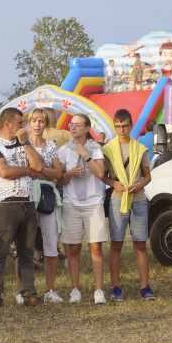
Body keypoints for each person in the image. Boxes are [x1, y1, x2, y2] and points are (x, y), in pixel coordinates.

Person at [0, 108, 44, 308]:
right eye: (20, 123)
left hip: (27, 202)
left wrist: (26, 143)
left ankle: (29, 294)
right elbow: (3, 171)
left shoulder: (25, 143)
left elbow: (39, 166)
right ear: (7, 124)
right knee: (0, 251)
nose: (23, 126)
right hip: (4, 204)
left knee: (27, 252)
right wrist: (27, 170)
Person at [101, 109, 155, 301]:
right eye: (118, 126)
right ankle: (115, 287)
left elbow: (147, 175)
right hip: (117, 197)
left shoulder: (140, 148)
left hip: (138, 198)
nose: (121, 129)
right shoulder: (108, 149)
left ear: (131, 126)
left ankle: (145, 286)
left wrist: (139, 184)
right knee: (116, 243)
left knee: (140, 243)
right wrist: (114, 183)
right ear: (114, 126)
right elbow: (103, 175)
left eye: (124, 126)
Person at [57, 114, 108, 304]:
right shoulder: (63, 150)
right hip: (71, 202)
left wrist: (85, 154)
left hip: (93, 203)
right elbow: (60, 181)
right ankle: (75, 289)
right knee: (73, 249)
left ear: (87, 128)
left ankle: (98, 290)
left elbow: (101, 173)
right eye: (71, 124)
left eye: (77, 125)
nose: (73, 127)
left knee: (95, 246)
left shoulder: (94, 148)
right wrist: (69, 174)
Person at [25, 109, 65, 304]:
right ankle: (22, 291)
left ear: (46, 124)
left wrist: (41, 172)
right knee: (25, 246)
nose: (38, 125)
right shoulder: (23, 144)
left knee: (51, 246)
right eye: (34, 121)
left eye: (41, 121)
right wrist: (46, 172)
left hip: (48, 197)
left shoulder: (51, 145)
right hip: (28, 196)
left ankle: (49, 289)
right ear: (29, 123)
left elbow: (58, 174)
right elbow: (26, 171)